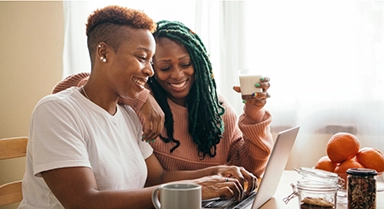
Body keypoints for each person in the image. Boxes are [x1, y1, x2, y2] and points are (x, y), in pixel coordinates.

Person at [19, 6, 257, 209]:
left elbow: (158, 177)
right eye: (142, 58)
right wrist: (194, 188)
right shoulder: (56, 112)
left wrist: (217, 173)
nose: (150, 71)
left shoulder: (129, 115)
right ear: (103, 53)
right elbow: (84, 202)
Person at [55, 20, 273, 178]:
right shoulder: (137, 99)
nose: (177, 75)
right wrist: (142, 97)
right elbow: (69, 88)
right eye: (165, 67)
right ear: (151, 67)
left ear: (199, 65)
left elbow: (249, 169)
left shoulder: (218, 109)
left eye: (186, 64)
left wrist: (254, 113)